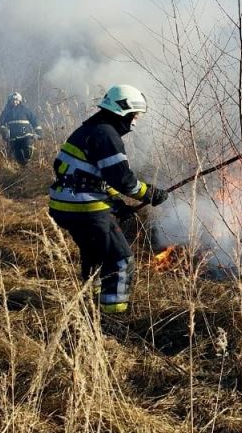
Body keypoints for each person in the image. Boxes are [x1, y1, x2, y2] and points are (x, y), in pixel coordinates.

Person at [48, 84, 169, 314]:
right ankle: (113, 318)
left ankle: (90, 307)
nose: (135, 122)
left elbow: (92, 177)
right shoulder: (106, 134)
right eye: (135, 116)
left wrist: (116, 204)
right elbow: (122, 179)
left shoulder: (89, 130)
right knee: (121, 261)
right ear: (123, 111)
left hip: (65, 205)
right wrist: (150, 193)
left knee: (94, 256)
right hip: (85, 208)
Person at [0, 92, 42, 165]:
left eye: (16, 100)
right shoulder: (6, 112)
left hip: (27, 136)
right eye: (13, 100)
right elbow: (0, 124)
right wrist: (5, 133)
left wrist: (39, 133)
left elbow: (35, 121)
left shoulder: (26, 110)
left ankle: (29, 165)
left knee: (28, 150)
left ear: (20, 101)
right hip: (13, 138)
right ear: (10, 101)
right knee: (18, 155)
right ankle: (24, 168)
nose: (15, 101)